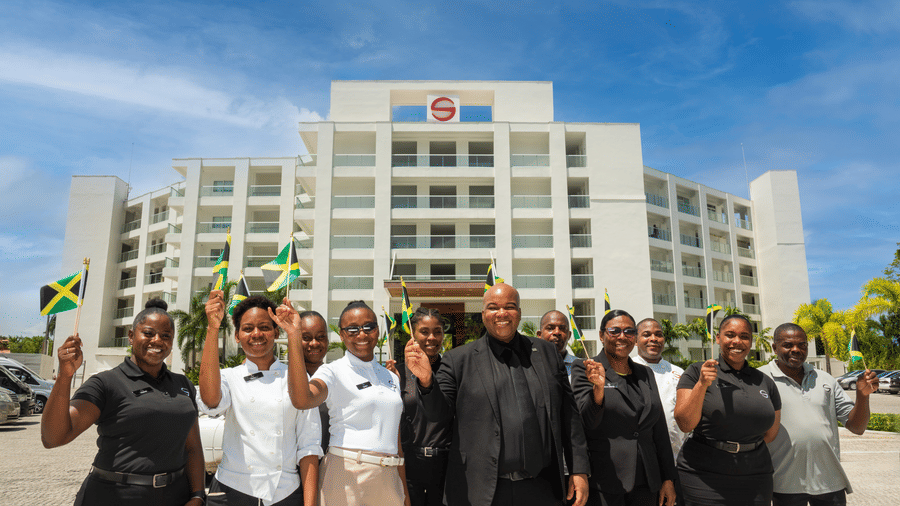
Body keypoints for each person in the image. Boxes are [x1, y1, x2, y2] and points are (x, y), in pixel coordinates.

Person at [406, 283, 590, 506]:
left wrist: (579, 470)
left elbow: (569, 416)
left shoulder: (547, 353)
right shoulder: (459, 360)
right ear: (483, 314)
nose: (502, 313)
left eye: (510, 306)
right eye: (493, 307)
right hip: (480, 491)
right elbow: (438, 415)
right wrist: (426, 381)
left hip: (542, 487)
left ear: (519, 313)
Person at [41, 299, 205, 506]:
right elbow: (53, 437)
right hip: (115, 496)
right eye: (148, 333)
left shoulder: (183, 384)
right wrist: (65, 376)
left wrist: (198, 495)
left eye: (166, 336)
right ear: (130, 336)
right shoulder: (106, 383)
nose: (157, 340)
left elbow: (193, 447)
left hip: (175, 496)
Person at [198, 292, 322, 506]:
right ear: (237, 336)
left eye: (264, 327)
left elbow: (308, 446)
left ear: (276, 332)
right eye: (247, 328)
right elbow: (210, 401)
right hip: (231, 490)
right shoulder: (229, 377)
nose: (257, 334)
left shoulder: (297, 378)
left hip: (285, 491)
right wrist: (212, 328)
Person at [285, 300, 410, 506]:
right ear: (342, 335)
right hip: (347, 473)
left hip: (389, 477)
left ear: (377, 331)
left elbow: (395, 441)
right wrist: (292, 335)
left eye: (368, 327)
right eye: (352, 329)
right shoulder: (333, 371)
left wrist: (403, 491)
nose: (361, 334)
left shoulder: (391, 377)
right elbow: (302, 399)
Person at [760, 323, 878, 506]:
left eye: (802, 345)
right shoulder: (759, 379)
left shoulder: (825, 379)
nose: (796, 350)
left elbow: (857, 427)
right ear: (775, 347)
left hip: (829, 482)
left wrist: (862, 396)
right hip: (783, 483)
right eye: (788, 345)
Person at [674, 314, 782, 506]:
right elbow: (685, 423)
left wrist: (742, 447)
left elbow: (771, 433)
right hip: (703, 475)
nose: (737, 341)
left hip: (756, 474)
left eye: (744, 336)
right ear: (718, 338)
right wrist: (701, 384)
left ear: (751, 341)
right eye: (730, 335)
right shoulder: (696, 372)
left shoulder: (764, 381)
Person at [571, 310, 677, 506]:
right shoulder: (584, 368)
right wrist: (598, 389)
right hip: (605, 480)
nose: (622, 336)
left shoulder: (645, 373)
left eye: (629, 331)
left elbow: (659, 429)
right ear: (602, 335)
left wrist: (668, 478)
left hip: (647, 481)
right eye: (615, 331)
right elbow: (586, 422)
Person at [394, 307, 452, 506]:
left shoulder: (451, 371)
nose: (431, 337)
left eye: (437, 332)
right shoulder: (398, 373)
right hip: (409, 465)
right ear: (413, 333)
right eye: (424, 331)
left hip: (446, 466)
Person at [631, 318, 688, 460]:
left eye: (658, 334)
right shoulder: (627, 369)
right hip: (638, 456)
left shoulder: (678, 373)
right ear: (636, 340)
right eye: (646, 334)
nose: (653, 339)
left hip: (675, 455)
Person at [299, 309, 331, 451]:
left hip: (330, 466)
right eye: (306, 337)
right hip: (290, 467)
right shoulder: (281, 378)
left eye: (320, 337)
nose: (314, 343)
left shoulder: (336, 378)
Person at [537, 310, 579, 382]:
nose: (557, 332)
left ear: (569, 335)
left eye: (562, 328)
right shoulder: (530, 365)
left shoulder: (581, 366)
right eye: (550, 328)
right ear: (539, 335)